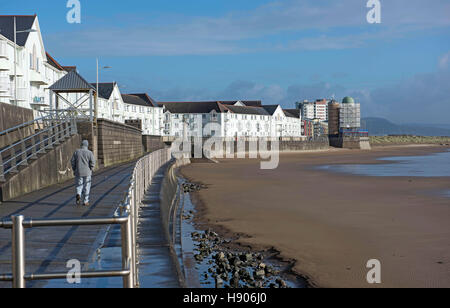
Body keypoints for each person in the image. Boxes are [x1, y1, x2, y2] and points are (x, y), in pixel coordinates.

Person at [71, 140, 96, 206]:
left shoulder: (76, 152)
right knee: (87, 186)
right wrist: (92, 168)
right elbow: (93, 162)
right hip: (87, 172)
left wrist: (74, 169)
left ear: (81, 145)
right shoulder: (89, 153)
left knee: (79, 185)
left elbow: (72, 161)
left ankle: (78, 194)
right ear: (87, 145)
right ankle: (85, 201)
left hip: (78, 172)